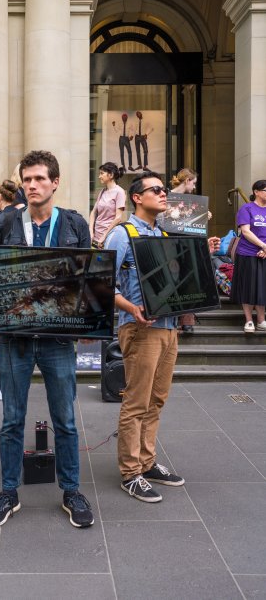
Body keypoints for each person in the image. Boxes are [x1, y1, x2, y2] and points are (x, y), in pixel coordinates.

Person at [0, 150, 94, 529]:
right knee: (12, 419)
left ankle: (72, 491)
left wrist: (86, 324)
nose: (31, 185)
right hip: (15, 336)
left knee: (65, 419)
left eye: (39, 179)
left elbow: (87, 279)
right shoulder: (6, 221)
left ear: (55, 183)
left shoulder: (75, 223)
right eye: (27, 179)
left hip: (58, 337)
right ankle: (9, 492)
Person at [105, 171, 220, 504]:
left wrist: (202, 251)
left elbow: (178, 279)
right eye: (157, 189)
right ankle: (131, 472)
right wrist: (132, 306)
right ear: (137, 197)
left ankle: (147, 461)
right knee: (137, 402)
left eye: (165, 189)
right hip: (141, 328)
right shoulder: (122, 234)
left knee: (157, 400)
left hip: (169, 327)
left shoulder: (164, 232)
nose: (164, 194)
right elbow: (102, 283)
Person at [170, 168, 212, 332]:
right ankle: (175, 317)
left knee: (188, 279)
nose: (194, 187)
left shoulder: (193, 202)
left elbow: (193, 225)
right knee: (173, 280)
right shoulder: (165, 197)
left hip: (188, 244)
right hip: (169, 243)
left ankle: (187, 320)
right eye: (193, 183)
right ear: (187, 180)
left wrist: (203, 216)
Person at [230, 179, 266, 333]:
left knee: (262, 288)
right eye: (265, 189)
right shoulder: (247, 208)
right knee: (248, 287)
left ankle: (261, 320)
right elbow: (245, 231)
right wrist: (263, 245)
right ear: (256, 192)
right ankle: (249, 320)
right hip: (247, 253)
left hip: (264, 253)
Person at [89, 162, 126, 249]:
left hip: (109, 236)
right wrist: (91, 231)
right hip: (96, 236)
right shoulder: (102, 191)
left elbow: (118, 218)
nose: (99, 176)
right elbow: (93, 212)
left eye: (102, 173)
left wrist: (104, 236)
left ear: (111, 175)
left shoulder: (119, 192)